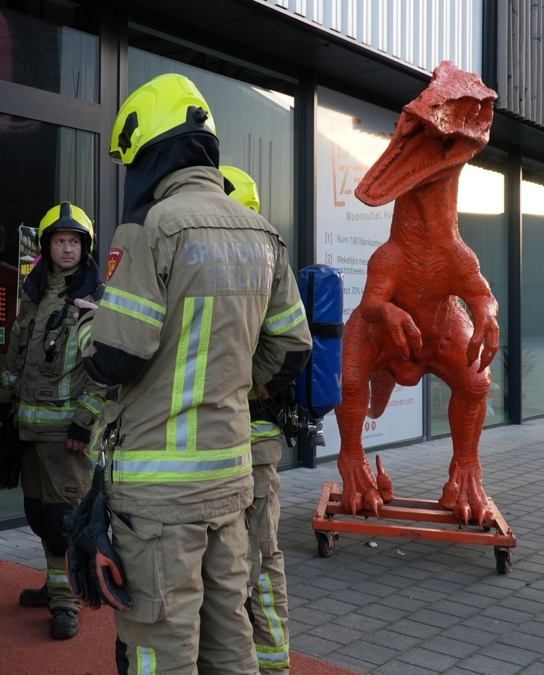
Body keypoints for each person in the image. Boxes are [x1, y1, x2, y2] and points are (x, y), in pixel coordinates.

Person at [82, 74, 312, 675]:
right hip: (230, 479)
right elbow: (292, 350)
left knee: (161, 643)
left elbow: (114, 358)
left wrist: (88, 328)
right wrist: (237, 384)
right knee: (229, 633)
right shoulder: (263, 234)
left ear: (150, 151)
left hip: (159, 495)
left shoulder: (153, 228)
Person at [0, 202, 106, 640]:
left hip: (67, 437)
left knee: (64, 519)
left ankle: (68, 599)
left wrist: (84, 421)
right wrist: (6, 407)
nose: (67, 249)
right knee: (39, 515)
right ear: (47, 247)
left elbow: (102, 368)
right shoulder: (34, 294)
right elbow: (17, 356)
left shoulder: (95, 298)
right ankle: (56, 583)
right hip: (30, 430)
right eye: (60, 241)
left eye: (74, 241)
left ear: (85, 246)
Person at [223, 164, 295, 673]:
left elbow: (293, 350)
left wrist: (245, 388)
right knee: (240, 560)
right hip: (230, 440)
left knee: (261, 559)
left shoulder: (266, 268)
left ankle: (271, 662)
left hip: (255, 440)